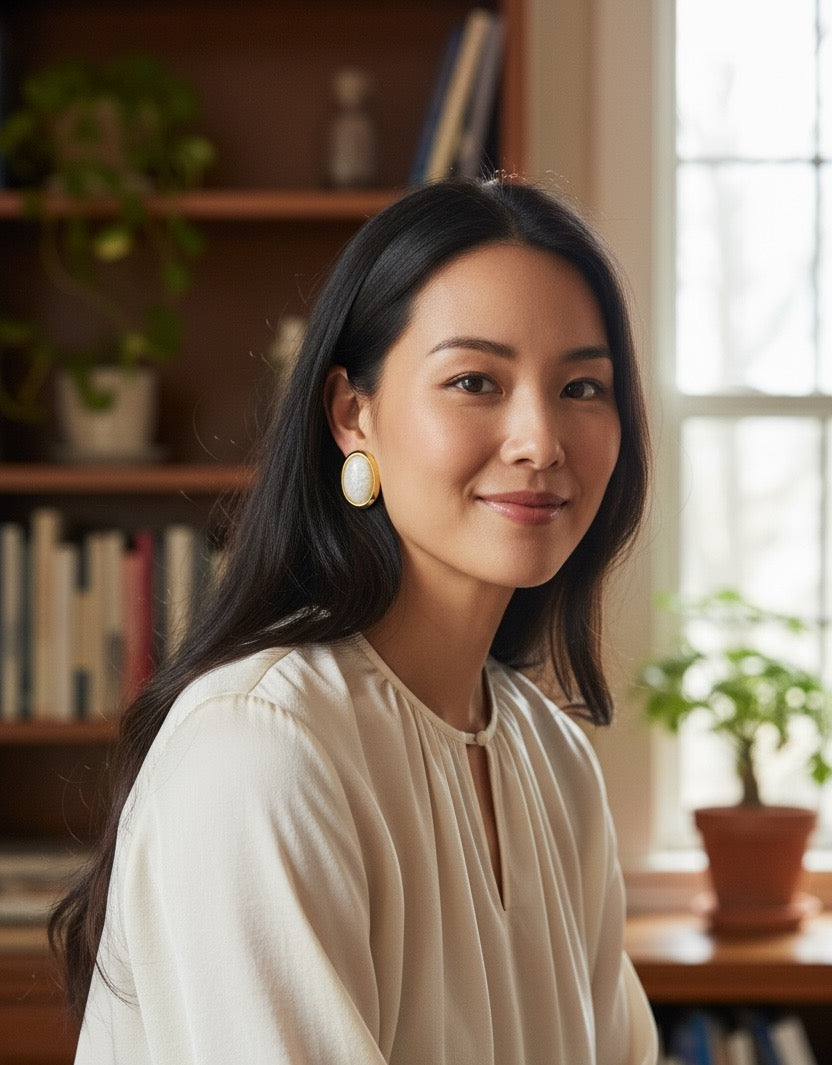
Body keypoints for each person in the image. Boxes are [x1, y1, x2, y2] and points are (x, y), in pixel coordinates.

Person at [51, 177, 658, 1064]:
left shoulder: (553, 759)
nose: (540, 439)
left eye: (583, 386)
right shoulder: (260, 747)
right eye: (474, 380)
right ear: (352, 414)